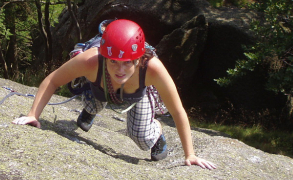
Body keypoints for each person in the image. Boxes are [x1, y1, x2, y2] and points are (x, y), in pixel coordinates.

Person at [13, 19, 216, 169]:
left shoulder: (151, 68)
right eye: (113, 62)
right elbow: (53, 80)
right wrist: (33, 115)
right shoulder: (91, 61)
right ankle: (91, 110)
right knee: (93, 104)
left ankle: (157, 133)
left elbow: (177, 110)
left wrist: (190, 154)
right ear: (105, 56)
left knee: (141, 137)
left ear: (138, 59)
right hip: (100, 89)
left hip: (136, 96)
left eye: (127, 62)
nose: (120, 70)